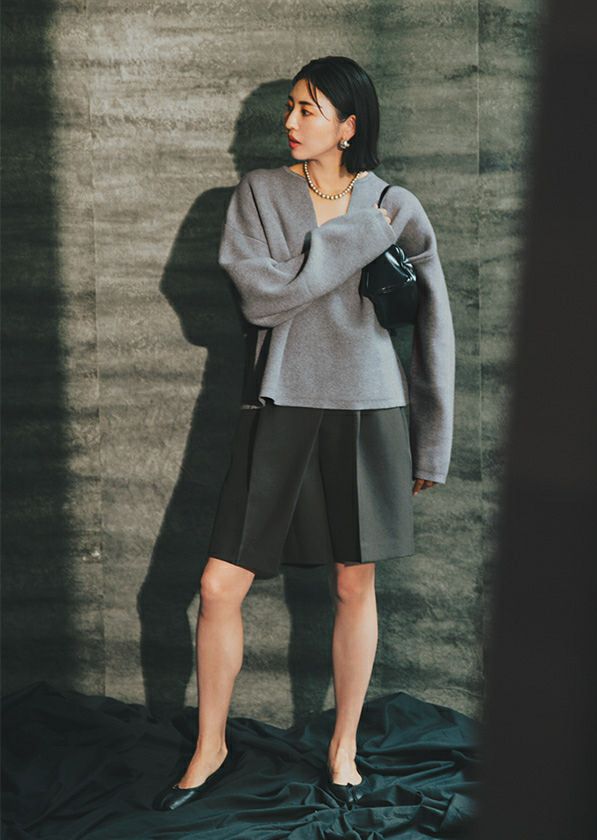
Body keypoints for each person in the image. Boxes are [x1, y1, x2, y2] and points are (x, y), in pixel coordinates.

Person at [153, 55, 455, 811]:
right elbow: (260, 301)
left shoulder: (395, 204)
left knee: (355, 583)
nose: (289, 122)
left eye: (308, 110)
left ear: (348, 126)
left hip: (369, 409)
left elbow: (433, 329)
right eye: (289, 106)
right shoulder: (260, 195)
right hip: (280, 401)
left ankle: (343, 747)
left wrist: (432, 441)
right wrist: (356, 239)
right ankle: (210, 746)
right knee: (218, 585)